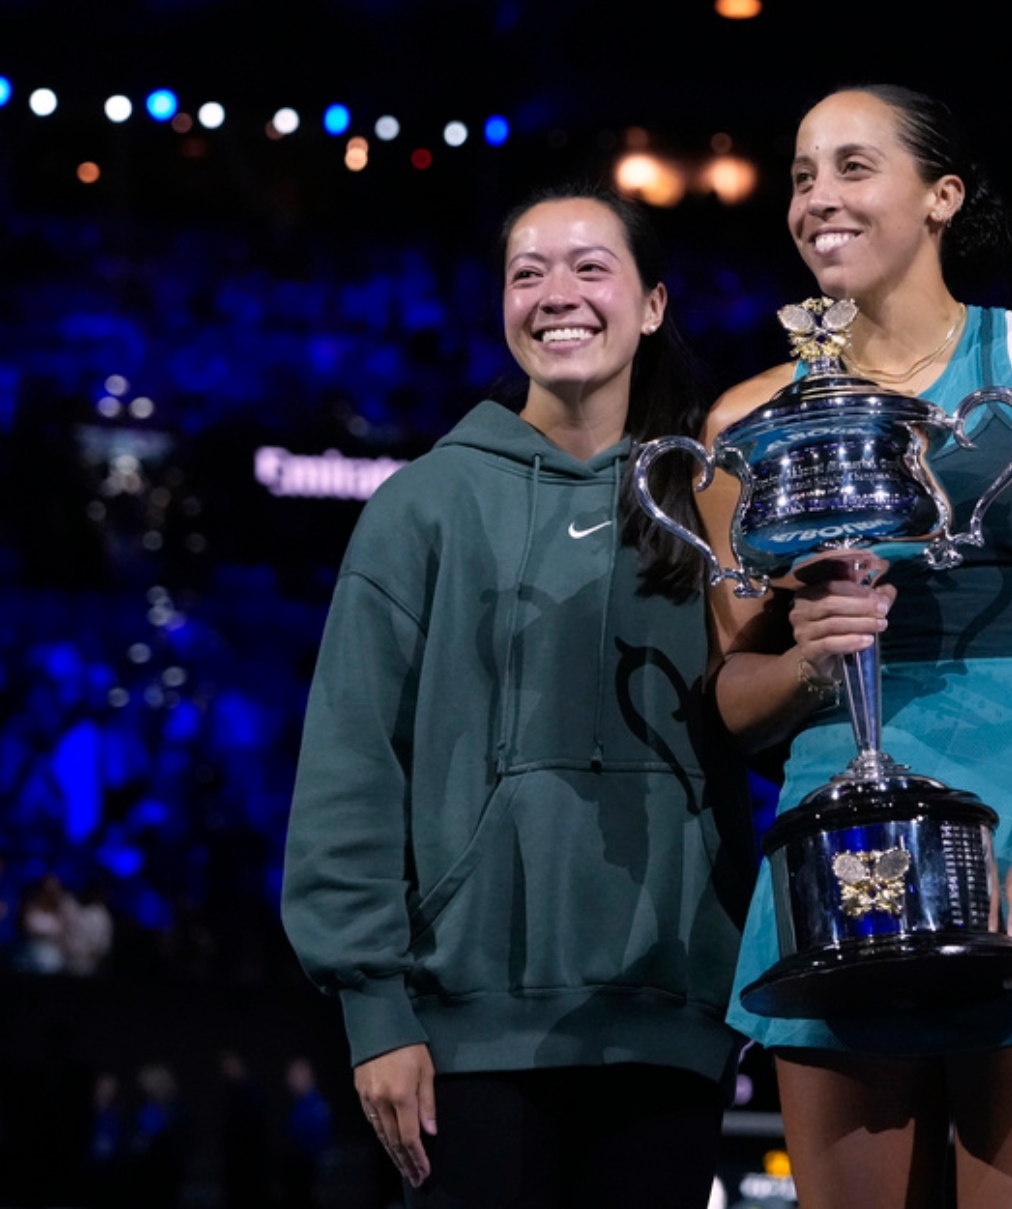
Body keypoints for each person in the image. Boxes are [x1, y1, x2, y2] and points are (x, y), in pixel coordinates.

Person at [709, 84, 1012, 1209]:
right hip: (841, 847)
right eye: (801, 174)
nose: (818, 198)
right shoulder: (752, 420)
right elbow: (732, 699)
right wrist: (812, 662)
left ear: (942, 197)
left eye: (853, 167)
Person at [280, 182, 753, 1207]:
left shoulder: (711, 503)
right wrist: (377, 1010)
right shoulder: (423, 505)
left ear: (654, 304)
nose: (557, 295)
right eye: (526, 272)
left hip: (671, 1015)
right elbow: (350, 764)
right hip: (467, 1033)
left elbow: (757, 721)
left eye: (591, 267)